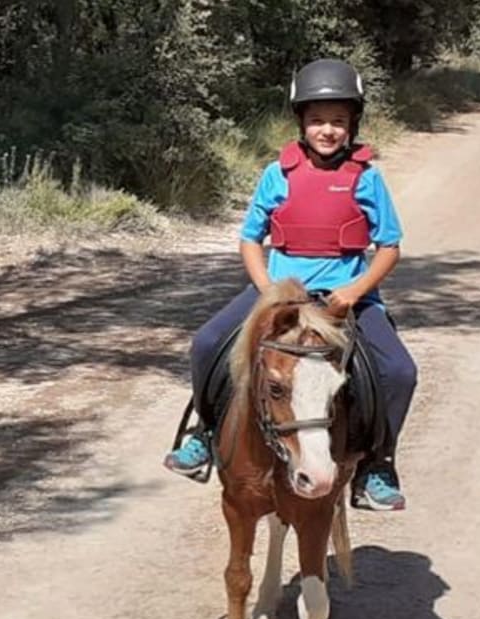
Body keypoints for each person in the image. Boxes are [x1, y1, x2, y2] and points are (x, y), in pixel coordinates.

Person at [163, 58, 417, 511]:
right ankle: (203, 432)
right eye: (318, 120)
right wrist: (266, 289)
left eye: (338, 121)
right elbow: (249, 240)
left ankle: (377, 464)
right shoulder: (276, 174)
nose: (328, 130)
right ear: (301, 122)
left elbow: (390, 246)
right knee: (205, 344)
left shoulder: (368, 177)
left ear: (352, 124)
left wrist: (357, 290)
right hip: (280, 295)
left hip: (344, 300)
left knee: (399, 371)